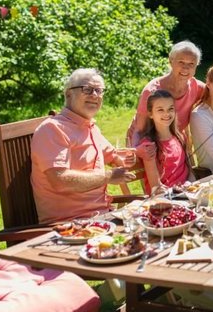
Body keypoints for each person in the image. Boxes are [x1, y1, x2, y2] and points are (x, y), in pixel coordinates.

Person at [31, 69, 136, 224]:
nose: (94, 95)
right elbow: (60, 181)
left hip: (101, 216)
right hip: (69, 225)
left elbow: (114, 156)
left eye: (99, 91)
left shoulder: (90, 127)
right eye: (87, 89)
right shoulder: (53, 129)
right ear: (68, 94)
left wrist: (123, 159)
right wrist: (108, 176)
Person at [127, 41, 204, 147]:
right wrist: (136, 152)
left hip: (172, 141)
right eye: (181, 62)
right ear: (171, 61)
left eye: (191, 64)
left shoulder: (198, 88)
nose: (186, 68)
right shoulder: (152, 90)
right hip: (146, 140)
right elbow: (139, 130)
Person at [138, 89, 193, 194]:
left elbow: (190, 172)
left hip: (187, 192)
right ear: (150, 114)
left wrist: (192, 187)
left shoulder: (180, 137)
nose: (166, 114)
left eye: (170, 109)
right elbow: (156, 187)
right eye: (160, 110)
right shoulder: (149, 146)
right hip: (166, 198)